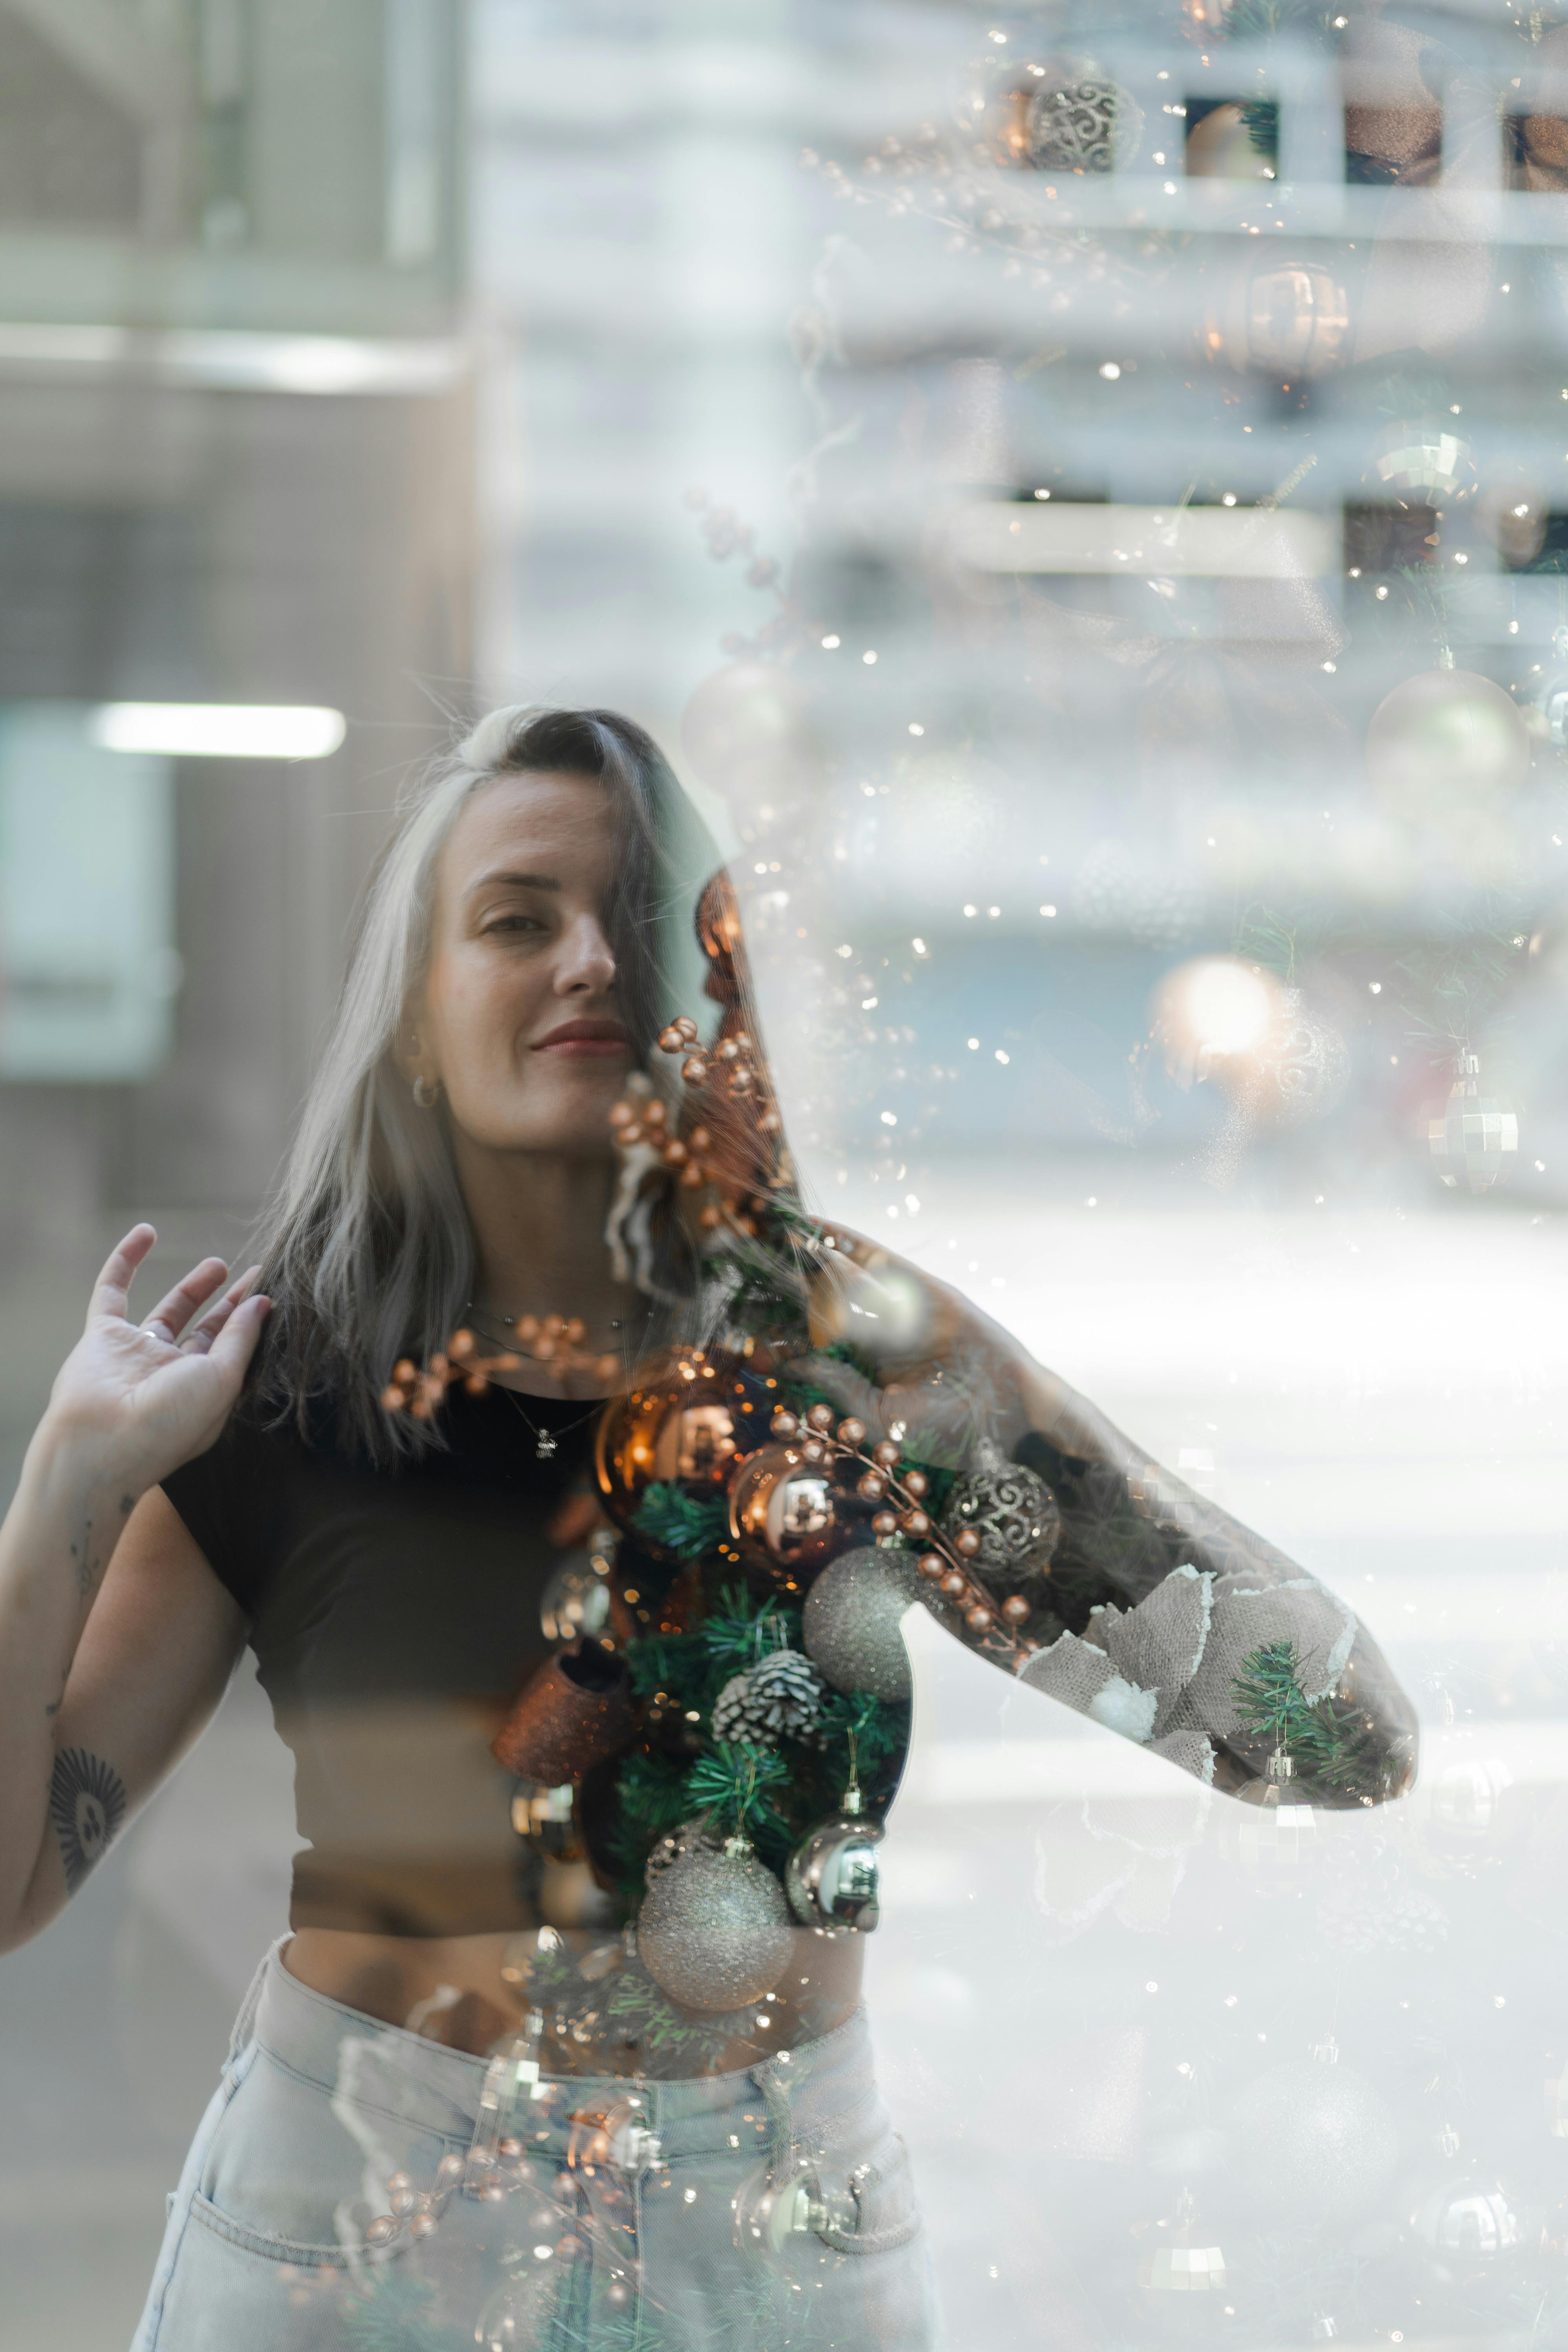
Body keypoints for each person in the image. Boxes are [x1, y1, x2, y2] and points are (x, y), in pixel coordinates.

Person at [0, 705, 1417, 2351]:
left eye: (646, 923)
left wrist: (969, 1400)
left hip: (769, 2222)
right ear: (415, 1018)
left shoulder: (862, 1360)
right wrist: (68, 1483)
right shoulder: (276, 1390)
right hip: (354, 2221)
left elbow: (1345, 1741)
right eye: (518, 917)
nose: (591, 961)